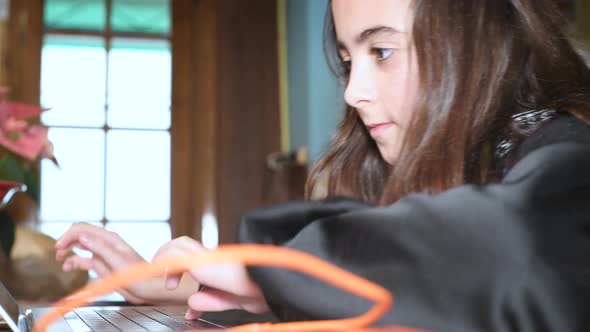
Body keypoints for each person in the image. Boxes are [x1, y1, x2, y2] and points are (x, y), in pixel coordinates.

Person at [55, 0, 590, 330]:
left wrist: (259, 267)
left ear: (472, 38)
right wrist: (186, 287)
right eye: (349, 60)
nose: (354, 91)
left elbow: (516, 253)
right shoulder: (447, 165)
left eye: (381, 51)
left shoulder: (568, 157)